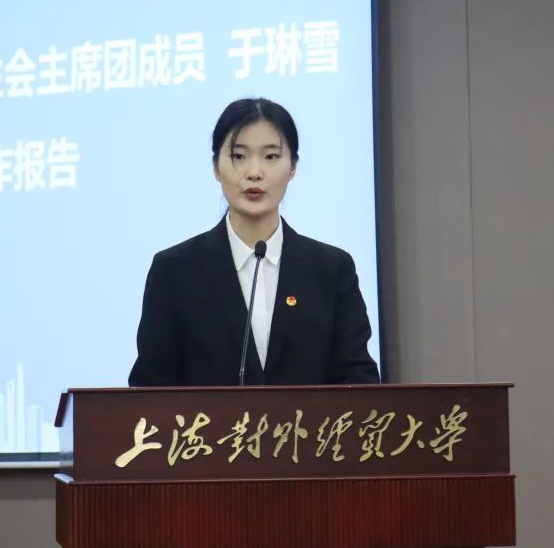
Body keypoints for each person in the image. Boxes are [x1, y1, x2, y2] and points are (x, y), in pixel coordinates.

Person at [128, 97, 380, 387]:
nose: (254, 172)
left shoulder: (332, 269)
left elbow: (358, 382)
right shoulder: (175, 271)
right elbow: (150, 390)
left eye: (271, 156)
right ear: (216, 167)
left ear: (293, 167)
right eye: (239, 156)